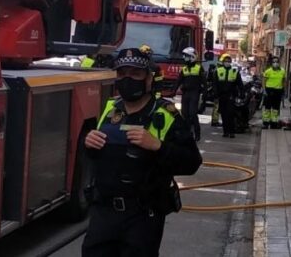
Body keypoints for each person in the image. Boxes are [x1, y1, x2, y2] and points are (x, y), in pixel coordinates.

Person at [82, 48, 203, 256]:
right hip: (104, 213)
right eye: (122, 74)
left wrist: (158, 147)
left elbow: (192, 162)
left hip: (143, 216)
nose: (127, 79)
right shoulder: (111, 108)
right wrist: (90, 145)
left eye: (135, 74)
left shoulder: (166, 114)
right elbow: (100, 157)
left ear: (148, 78)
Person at [175, 47, 204, 140]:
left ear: (192, 57)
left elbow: (204, 83)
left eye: (186, 56)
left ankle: (197, 134)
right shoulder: (184, 69)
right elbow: (178, 81)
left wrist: (205, 95)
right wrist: (172, 91)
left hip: (194, 93)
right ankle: (187, 133)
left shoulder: (199, 68)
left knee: (193, 114)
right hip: (186, 94)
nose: (184, 58)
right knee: (184, 114)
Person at [212, 53, 242, 138]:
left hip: (231, 95)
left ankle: (231, 132)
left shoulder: (235, 71)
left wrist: (241, 93)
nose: (227, 62)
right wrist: (215, 94)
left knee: (231, 114)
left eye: (229, 61)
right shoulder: (218, 71)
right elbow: (215, 84)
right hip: (222, 96)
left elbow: (240, 84)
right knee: (224, 115)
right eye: (226, 61)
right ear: (223, 62)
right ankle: (225, 131)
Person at [262, 57, 286, 129]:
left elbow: (284, 81)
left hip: (278, 91)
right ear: (272, 63)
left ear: (279, 63)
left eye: (277, 62)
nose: (275, 63)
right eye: (274, 62)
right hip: (269, 90)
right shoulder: (268, 71)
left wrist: (283, 89)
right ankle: (266, 123)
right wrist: (264, 90)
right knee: (267, 108)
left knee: (276, 108)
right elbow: (264, 81)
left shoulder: (282, 71)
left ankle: (274, 123)